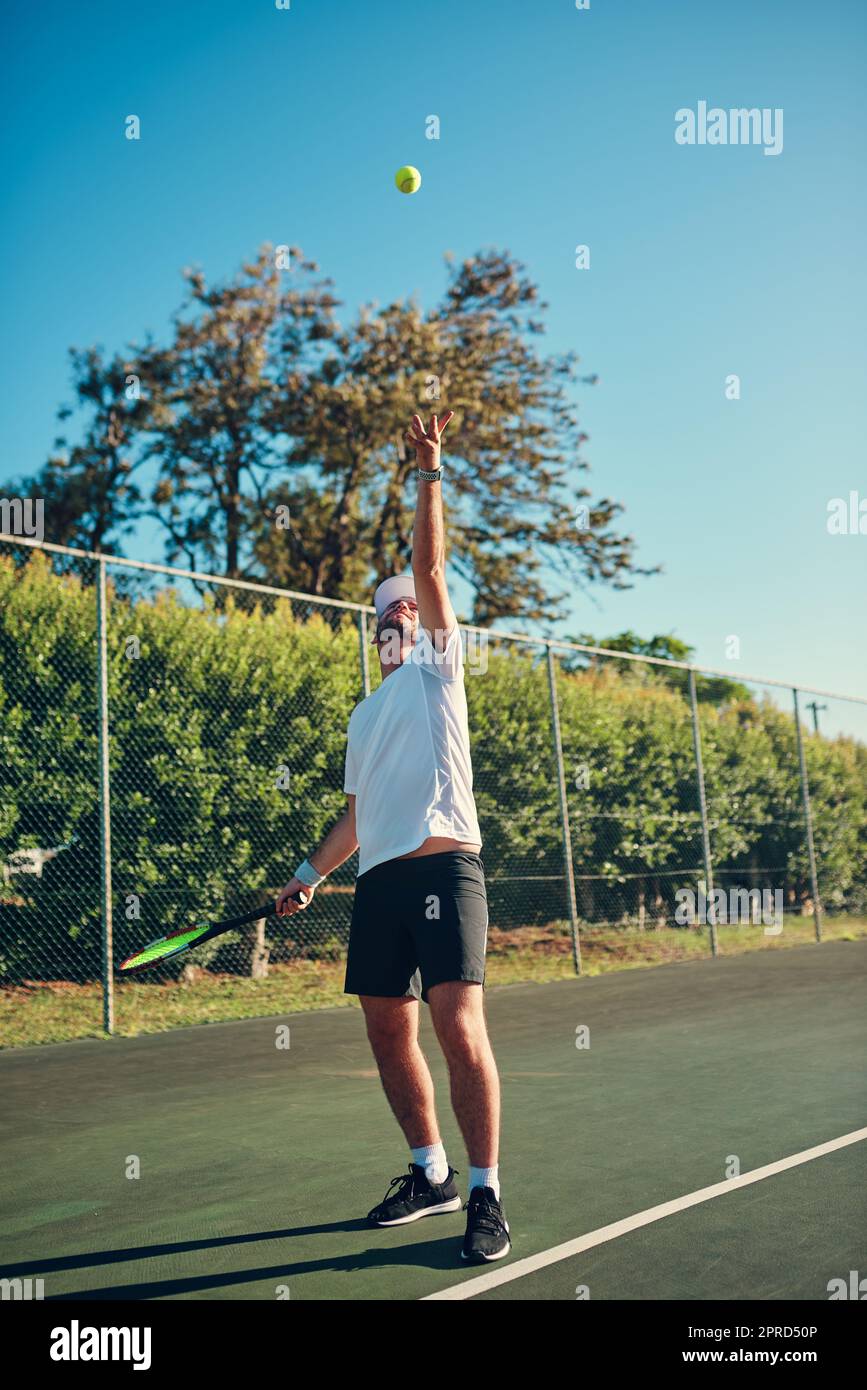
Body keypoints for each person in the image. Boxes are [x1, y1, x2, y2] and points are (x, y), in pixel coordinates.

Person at [276, 411, 510, 1264]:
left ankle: (485, 1193)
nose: (401, 621)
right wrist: (305, 874)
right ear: (372, 634)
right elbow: (355, 818)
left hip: (446, 873)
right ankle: (430, 1173)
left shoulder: (441, 673)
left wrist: (428, 471)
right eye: (387, 617)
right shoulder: (363, 715)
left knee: (458, 1026)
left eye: (410, 611)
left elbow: (429, 563)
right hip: (375, 884)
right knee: (386, 1030)